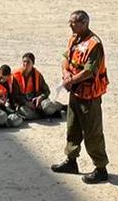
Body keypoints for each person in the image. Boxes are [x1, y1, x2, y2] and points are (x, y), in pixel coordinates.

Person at [52, 10, 110, 184]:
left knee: (92, 132)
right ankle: (71, 161)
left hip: (89, 95)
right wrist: (65, 75)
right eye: (70, 22)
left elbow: (89, 71)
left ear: (84, 23)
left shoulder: (94, 44)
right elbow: (65, 58)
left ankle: (101, 168)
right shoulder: (74, 39)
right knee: (72, 127)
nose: (70, 25)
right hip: (75, 92)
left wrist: (70, 81)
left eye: (74, 22)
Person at [12, 53, 63, 120]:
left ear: (33, 63)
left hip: (37, 102)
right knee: (24, 112)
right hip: (24, 103)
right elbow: (14, 95)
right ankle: (45, 115)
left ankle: (61, 107)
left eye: (28, 62)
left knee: (48, 106)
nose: (25, 64)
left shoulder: (37, 75)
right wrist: (26, 103)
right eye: (24, 61)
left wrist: (40, 97)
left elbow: (46, 91)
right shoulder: (15, 75)